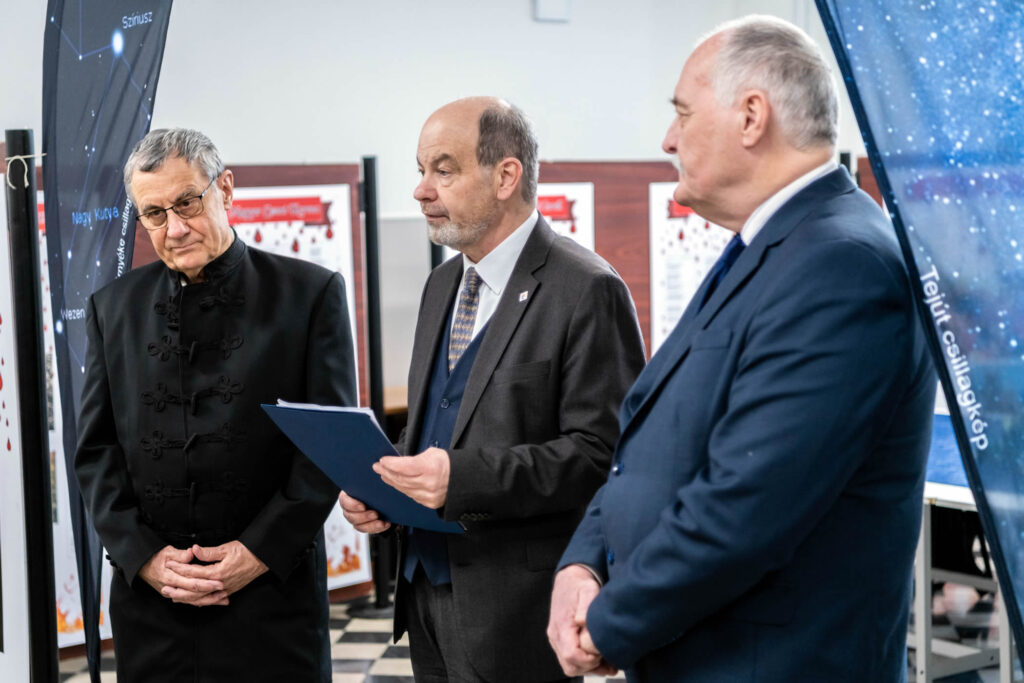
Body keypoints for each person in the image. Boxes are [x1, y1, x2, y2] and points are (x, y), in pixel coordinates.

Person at [548, 15, 935, 682]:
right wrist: (583, 564)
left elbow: (749, 502)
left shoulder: (842, 263)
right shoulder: (775, 247)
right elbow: (648, 445)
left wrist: (611, 622)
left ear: (752, 116)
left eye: (682, 113)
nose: (668, 139)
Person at [339, 97, 646, 682]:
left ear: (506, 176)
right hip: (424, 594)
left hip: (516, 612)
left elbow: (605, 457)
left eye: (443, 170)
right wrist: (386, 485)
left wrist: (461, 479)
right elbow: (444, 423)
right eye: (421, 170)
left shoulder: (586, 289)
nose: (420, 191)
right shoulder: (441, 286)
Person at [75, 128, 356, 682]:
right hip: (153, 606)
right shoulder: (113, 308)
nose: (175, 228)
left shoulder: (309, 294)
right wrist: (144, 558)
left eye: (188, 202)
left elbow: (326, 451)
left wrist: (256, 554)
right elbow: (95, 450)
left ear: (225, 189)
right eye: (154, 214)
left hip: (272, 599)